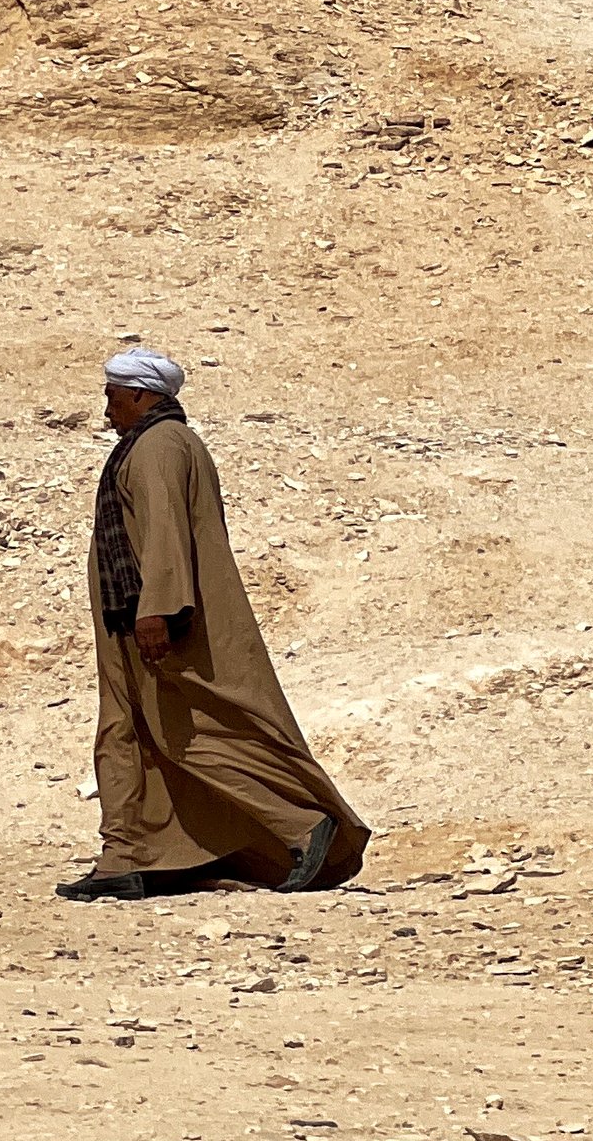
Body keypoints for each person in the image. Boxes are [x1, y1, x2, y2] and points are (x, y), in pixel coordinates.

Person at [59, 345, 369, 902]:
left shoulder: (157, 447)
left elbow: (164, 533)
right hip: (126, 615)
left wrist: (158, 609)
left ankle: (299, 824)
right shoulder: (162, 442)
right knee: (129, 733)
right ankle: (127, 856)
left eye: (111, 397)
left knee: (188, 736)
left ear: (138, 394)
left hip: (149, 618)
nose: (106, 411)